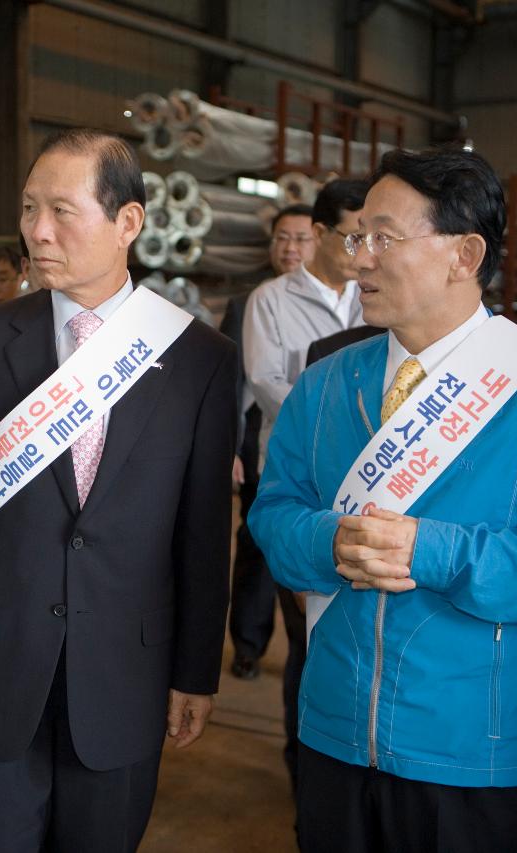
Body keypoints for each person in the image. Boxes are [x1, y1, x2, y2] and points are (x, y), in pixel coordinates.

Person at [249, 147, 517, 853]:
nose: (359, 258)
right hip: (332, 734)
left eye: (382, 238)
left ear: (465, 254)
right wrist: (327, 543)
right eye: (356, 235)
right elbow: (272, 512)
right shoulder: (328, 383)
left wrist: (437, 550)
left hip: (476, 751)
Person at [0, 128, 237, 851]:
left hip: (125, 672)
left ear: (128, 223)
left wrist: (195, 672)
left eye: (61, 211)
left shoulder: (198, 357)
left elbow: (203, 533)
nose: (37, 232)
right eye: (27, 209)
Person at [239, 180, 367, 788]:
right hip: (298, 478)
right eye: (353, 235)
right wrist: (342, 428)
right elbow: (268, 383)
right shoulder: (271, 300)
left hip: (369, 482)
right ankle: (303, 756)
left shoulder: (375, 295)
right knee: (303, 620)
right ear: (319, 234)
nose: (364, 248)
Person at [222, 203, 317, 685]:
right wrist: (231, 448)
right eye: (282, 238)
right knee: (257, 550)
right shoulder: (251, 302)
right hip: (260, 442)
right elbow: (230, 384)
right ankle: (248, 645)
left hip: (316, 452)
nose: (290, 248)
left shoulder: (357, 300)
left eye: (300, 238)